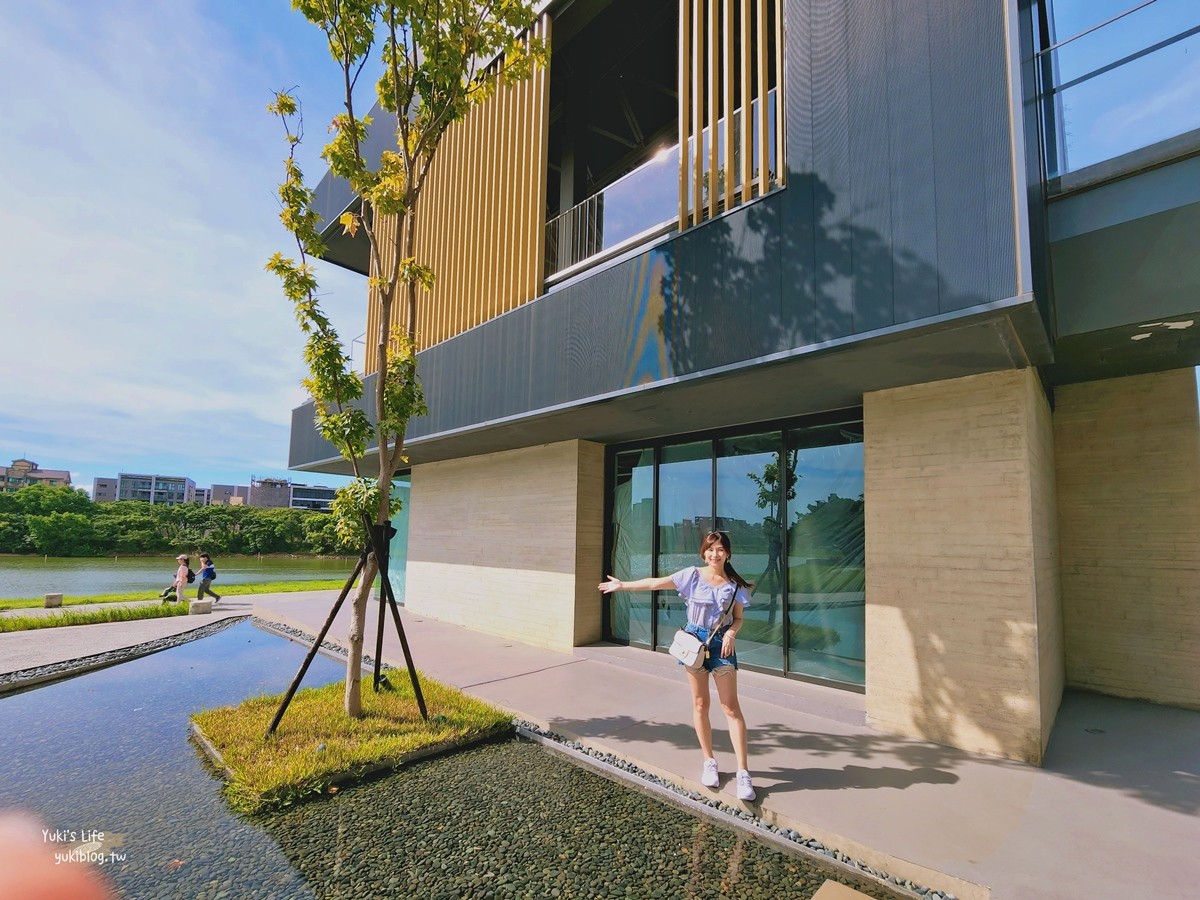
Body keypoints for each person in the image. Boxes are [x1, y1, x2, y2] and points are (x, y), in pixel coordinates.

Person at [598, 530, 756, 801]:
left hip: (722, 646)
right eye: (710, 549)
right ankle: (710, 761)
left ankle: (743, 773)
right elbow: (655, 583)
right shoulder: (692, 576)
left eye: (720, 549)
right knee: (700, 703)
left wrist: (731, 632)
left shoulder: (735, 586)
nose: (714, 554)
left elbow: (738, 618)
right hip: (694, 643)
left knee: (731, 707)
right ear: (703, 553)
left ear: (728, 554)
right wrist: (623, 585)